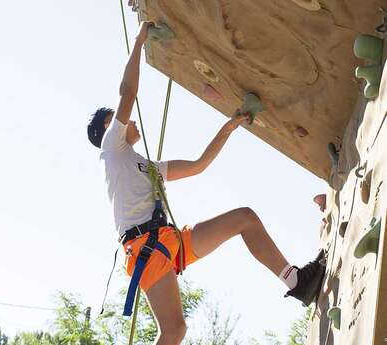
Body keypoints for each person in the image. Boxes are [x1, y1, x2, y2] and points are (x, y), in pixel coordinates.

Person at [88, 22, 326, 345]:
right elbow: (128, 92)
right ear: (109, 125)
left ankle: (297, 282)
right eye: (119, 118)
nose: (128, 118)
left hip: (168, 242)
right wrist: (140, 40)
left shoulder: (146, 167)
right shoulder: (111, 148)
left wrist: (231, 126)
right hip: (147, 249)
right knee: (174, 331)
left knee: (246, 218)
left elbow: (199, 165)